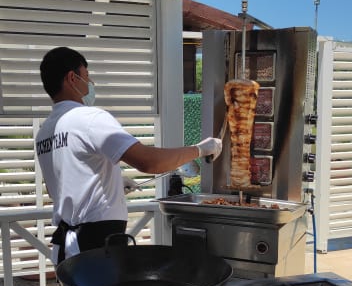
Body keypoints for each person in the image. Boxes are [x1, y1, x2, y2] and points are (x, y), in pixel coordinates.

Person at [35, 46, 222, 264]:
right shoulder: (89, 118)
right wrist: (199, 149)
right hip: (97, 246)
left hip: (67, 250)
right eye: (87, 75)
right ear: (72, 78)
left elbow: (56, 188)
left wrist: (111, 182)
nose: (90, 82)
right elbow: (149, 162)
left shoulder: (45, 131)